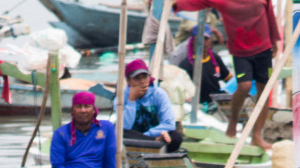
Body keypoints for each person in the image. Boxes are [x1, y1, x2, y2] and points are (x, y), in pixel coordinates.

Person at [174, 0, 281, 150]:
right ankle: (233, 120)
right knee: (245, 86)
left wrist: (275, 41)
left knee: (264, 90)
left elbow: (270, 16)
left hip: (263, 48)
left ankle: (257, 136)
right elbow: (196, 2)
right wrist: (173, 4)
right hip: (240, 51)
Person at [120, 59, 182, 152]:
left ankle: (153, 143)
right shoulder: (121, 98)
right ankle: (154, 144)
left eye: (144, 77)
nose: (142, 82)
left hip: (155, 134)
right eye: (137, 78)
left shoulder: (159, 94)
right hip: (133, 137)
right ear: (129, 80)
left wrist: (148, 135)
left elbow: (169, 124)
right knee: (118, 131)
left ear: (149, 77)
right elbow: (125, 126)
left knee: (176, 137)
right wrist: (131, 99)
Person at [175, 25, 231, 105]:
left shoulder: (215, 58)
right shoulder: (186, 65)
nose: (203, 43)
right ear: (193, 41)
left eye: (206, 39)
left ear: (210, 40)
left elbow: (228, 79)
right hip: (197, 106)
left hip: (217, 104)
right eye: (199, 39)